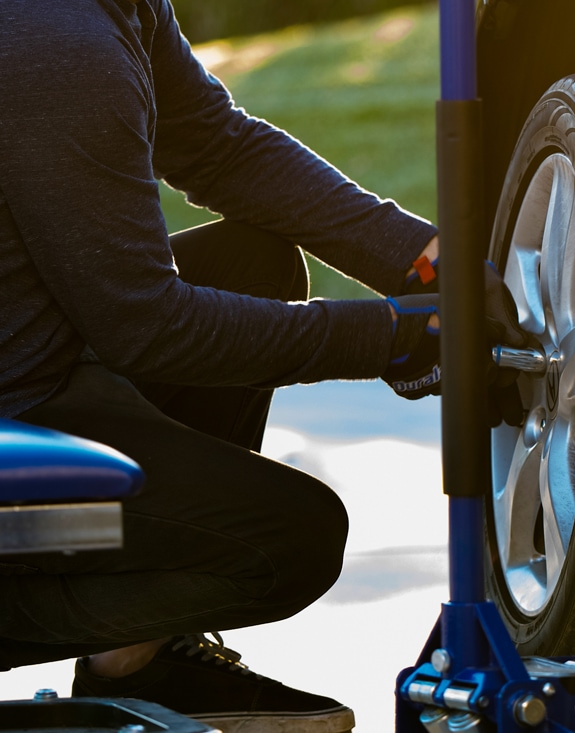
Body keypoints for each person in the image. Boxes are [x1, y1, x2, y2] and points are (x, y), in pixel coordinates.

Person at [0, 1, 523, 732]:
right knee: (290, 542)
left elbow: (214, 146)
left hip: (31, 378)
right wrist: (388, 339)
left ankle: (138, 662)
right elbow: (148, 328)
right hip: (18, 417)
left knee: (250, 263)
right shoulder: (53, 43)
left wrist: (421, 259)